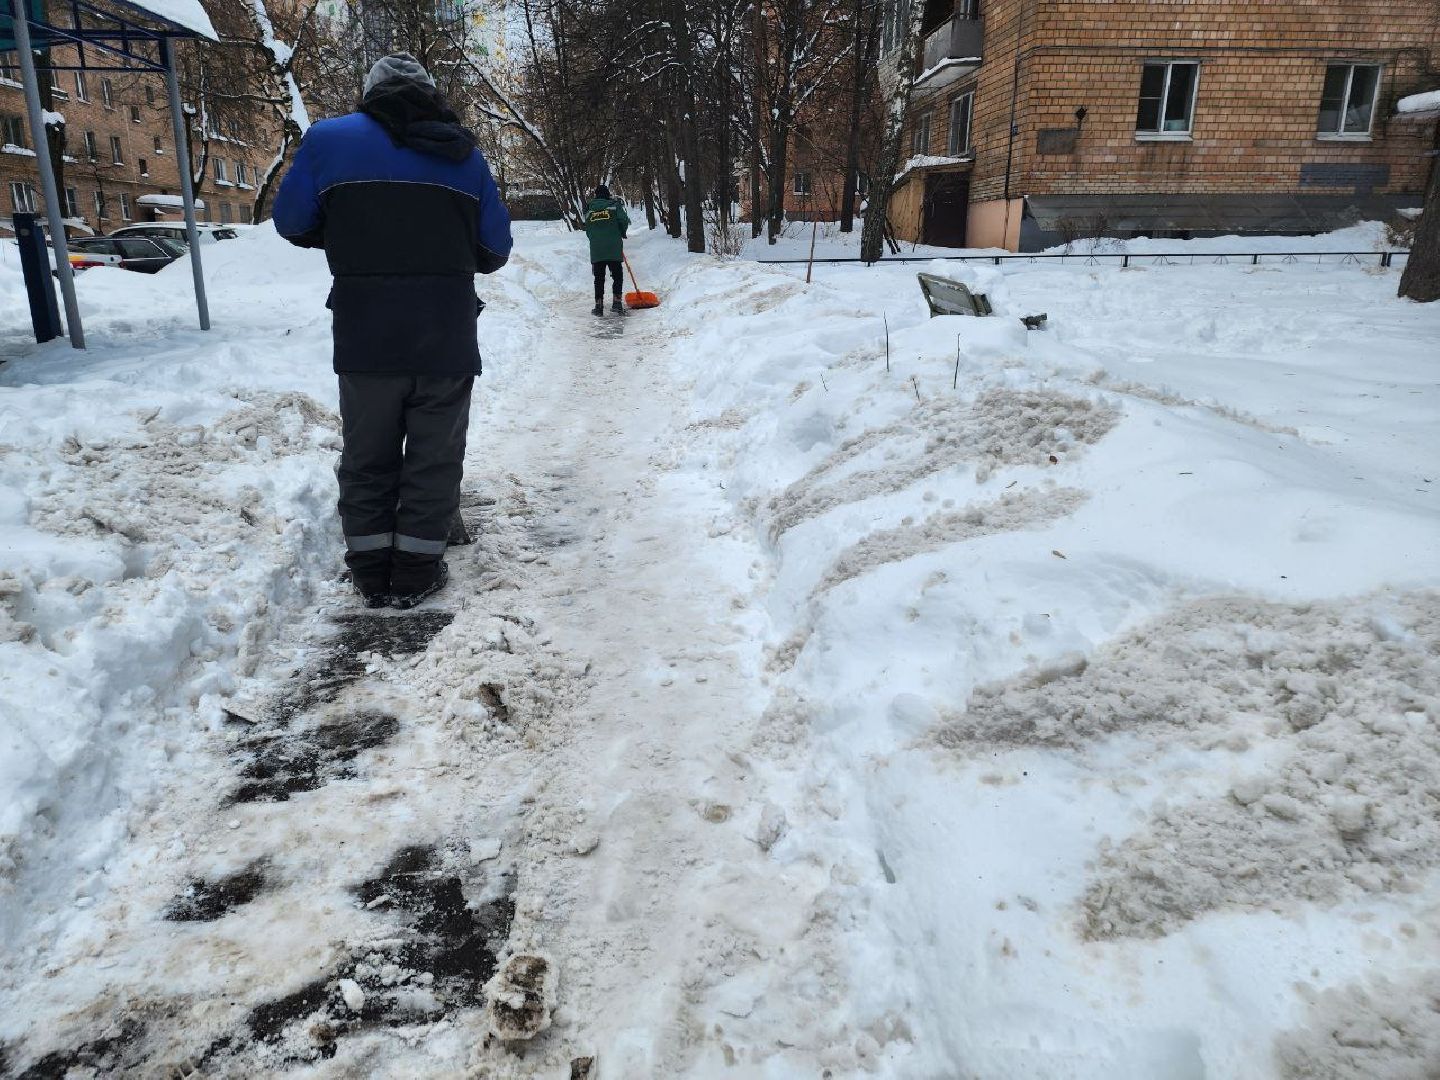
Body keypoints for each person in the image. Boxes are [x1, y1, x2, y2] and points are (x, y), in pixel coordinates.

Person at [272, 53, 512, 609]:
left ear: (370, 93)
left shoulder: (327, 141)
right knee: (434, 458)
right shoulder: (464, 153)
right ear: (430, 95)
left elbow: (292, 222)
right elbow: (495, 249)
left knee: (367, 454)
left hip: (365, 333)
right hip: (445, 334)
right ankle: (415, 572)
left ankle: (369, 570)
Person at [584, 184, 629, 316]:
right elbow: (624, 220)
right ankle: (616, 303)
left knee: (599, 277)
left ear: (596, 195)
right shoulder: (614, 205)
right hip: (613, 246)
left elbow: (588, 228)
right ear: (608, 194)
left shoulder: (590, 209)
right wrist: (621, 232)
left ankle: (598, 306)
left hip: (597, 248)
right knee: (617, 275)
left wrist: (594, 238)